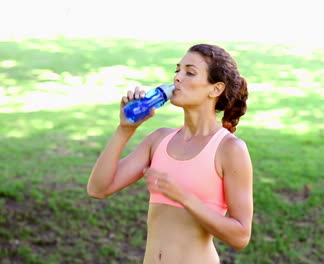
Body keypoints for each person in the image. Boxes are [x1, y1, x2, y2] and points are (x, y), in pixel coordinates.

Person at [87, 44, 253, 264]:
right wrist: (125, 130)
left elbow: (241, 236)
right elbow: (98, 188)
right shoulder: (159, 140)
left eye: (189, 72)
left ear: (215, 89)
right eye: (177, 70)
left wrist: (184, 197)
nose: (177, 78)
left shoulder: (229, 149)